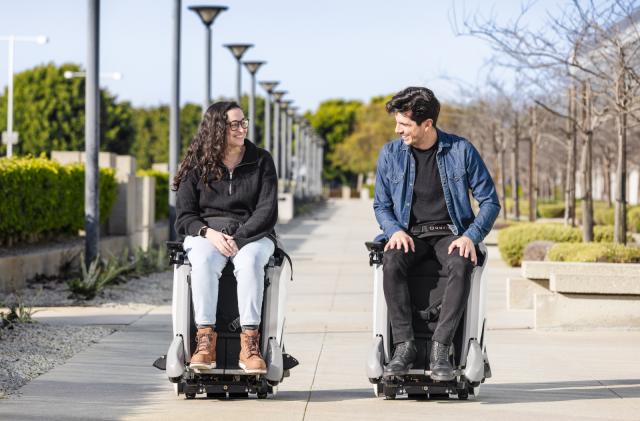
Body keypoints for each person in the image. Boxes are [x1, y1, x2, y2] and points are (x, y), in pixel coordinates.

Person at [373, 87, 500, 381]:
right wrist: (393, 230)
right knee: (390, 261)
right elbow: (381, 204)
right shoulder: (390, 153)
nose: (397, 130)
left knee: (461, 263)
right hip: (409, 234)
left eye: (404, 124)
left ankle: (441, 348)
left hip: (450, 233)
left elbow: (490, 201)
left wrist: (471, 236)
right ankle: (404, 347)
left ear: (427, 124)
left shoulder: (461, 150)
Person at [173, 101, 278, 374]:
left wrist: (240, 239)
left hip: (253, 233)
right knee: (204, 260)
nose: (242, 128)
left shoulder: (261, 160)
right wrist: (209, 234)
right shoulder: (196, 163)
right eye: (234, 124)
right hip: (207, 233)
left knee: (251, 261)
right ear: (217, 128)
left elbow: (267, 211)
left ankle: (249, 344)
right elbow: (185, 217)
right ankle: (205, 341)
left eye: (244, 122)